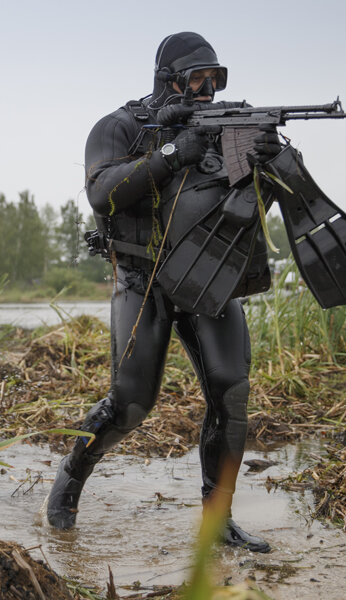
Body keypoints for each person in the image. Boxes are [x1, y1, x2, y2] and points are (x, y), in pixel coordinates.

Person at [46, 32, 282, 553]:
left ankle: (217, 519)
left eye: (215, 80)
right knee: (130, 405)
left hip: (207, 275)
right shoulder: (119, 127)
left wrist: (268, 160)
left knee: (231, 393)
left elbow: (249, 207)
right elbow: (103, 194)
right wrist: (174, 153)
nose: (208, 90)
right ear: (168, 79)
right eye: (198, 78)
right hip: (141, 278)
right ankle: (70, 479)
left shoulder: (228, 129)